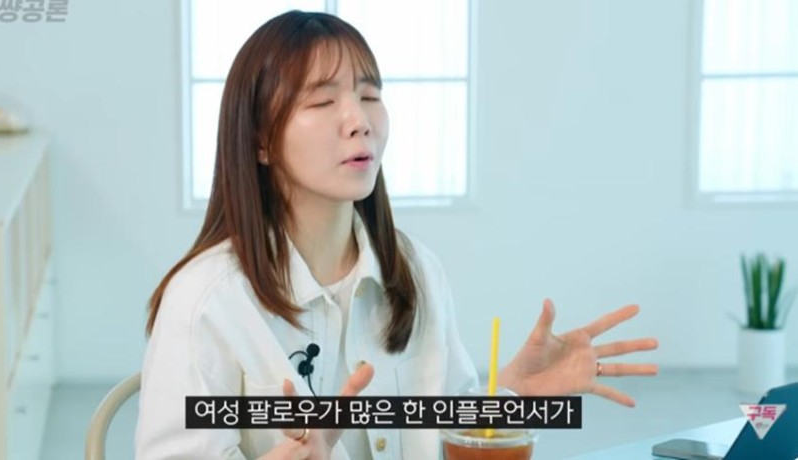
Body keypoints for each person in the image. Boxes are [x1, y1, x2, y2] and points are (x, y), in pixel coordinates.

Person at [136, 10, 659, 460]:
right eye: (322, 103)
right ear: (260, 142)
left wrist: (514, 397)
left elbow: (448, 431)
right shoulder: (206, 301)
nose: (359, 120)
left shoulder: (416, 271)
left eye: (369, 95)